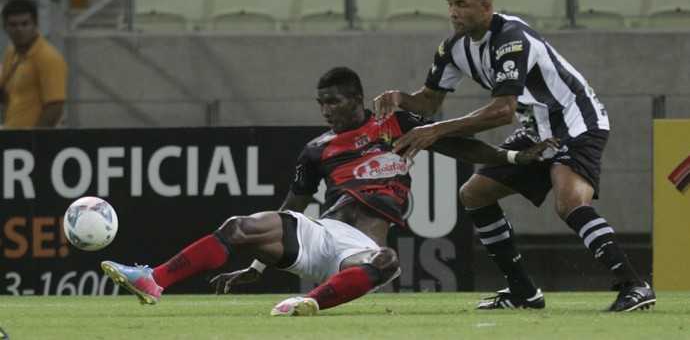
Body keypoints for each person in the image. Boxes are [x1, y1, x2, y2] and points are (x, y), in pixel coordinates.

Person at [101, 67, 551, 316]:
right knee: (238, 225)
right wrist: (258, 263)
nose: (326, 111)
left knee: (388, 262)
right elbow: (292, 208)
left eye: (334, 102)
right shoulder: (316, 149)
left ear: (358, 99)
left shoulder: (396, 125)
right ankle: (154, 279)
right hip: (321, 232)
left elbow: (460, 145)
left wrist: (511, 160)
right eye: (321, 104)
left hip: (359, 251)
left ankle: (309, 304)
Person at [373, 0, 655, 312]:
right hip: (537, 130)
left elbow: (502, 111)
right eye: (449, 4)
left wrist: (436, 130)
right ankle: (523, 291)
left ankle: (634, 285)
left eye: (461, 4)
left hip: (575, 122)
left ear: (486, 6)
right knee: (474, 194)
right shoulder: (452, 47)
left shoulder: (511, 37)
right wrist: (400, 98)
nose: (453, 12)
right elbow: (429, 101)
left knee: (568, 203)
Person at [0, 0, 67, 128]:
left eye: (25, 24)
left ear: (35, 25)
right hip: (12, 135)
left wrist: (34, 140)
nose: (19, 30)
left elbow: (55, 107)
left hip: (30, 141)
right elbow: (5, 93)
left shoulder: (48, 57)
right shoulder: (11, 53)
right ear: (5, 28)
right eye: (13, 25)